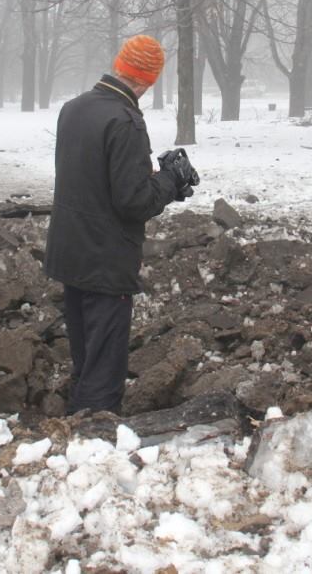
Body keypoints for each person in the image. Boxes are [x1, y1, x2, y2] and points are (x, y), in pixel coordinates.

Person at [44, 35, 199, 415]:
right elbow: (134, 202)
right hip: (106, 260)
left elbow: (90, 177)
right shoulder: (125, 121)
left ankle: (75, 428)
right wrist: (170, 181)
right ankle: (96, 434)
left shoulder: (73, 109)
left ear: (119, 65)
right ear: (147, 80)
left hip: (71, 252)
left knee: (85, 355)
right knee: (103, 364)